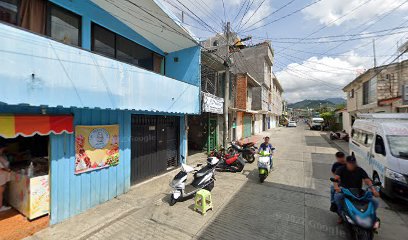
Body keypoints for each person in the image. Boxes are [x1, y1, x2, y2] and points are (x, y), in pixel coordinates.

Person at [333, 156, 380, 224]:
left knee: (375, 202)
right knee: (338, 197)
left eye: (353, 163)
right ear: (347, 163)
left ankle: (371, 216)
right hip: (345, 190)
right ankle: (341, 214)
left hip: (358, 192)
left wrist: (374, 190)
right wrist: (336, 187)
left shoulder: (360, 170)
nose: (352, 165)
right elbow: (336, 178)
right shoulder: (341, 169)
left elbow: (367, 180)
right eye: (350, 163)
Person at [0, 142, 11, 212]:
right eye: (2, 149)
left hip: (2, 176)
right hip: (1, 176)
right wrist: (8, 170)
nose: (2, 150)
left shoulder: (1, 156)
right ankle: (0, 207)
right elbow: (1, 167)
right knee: (0, 192)